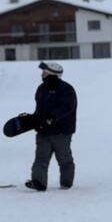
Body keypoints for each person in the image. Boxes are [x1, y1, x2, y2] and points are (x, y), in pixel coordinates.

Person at [26, 61, 76, 191]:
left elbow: (67, 107)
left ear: (53, 74)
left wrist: (52, 117)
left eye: (44, 73)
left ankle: (66, 182)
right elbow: (39, 108)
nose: (42, 75)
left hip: (61, 132)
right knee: (40, 158)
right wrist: (33, 119)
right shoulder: (41, 89)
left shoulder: (67, 89)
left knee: (64, 159)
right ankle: (38, 182)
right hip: (43, 131)